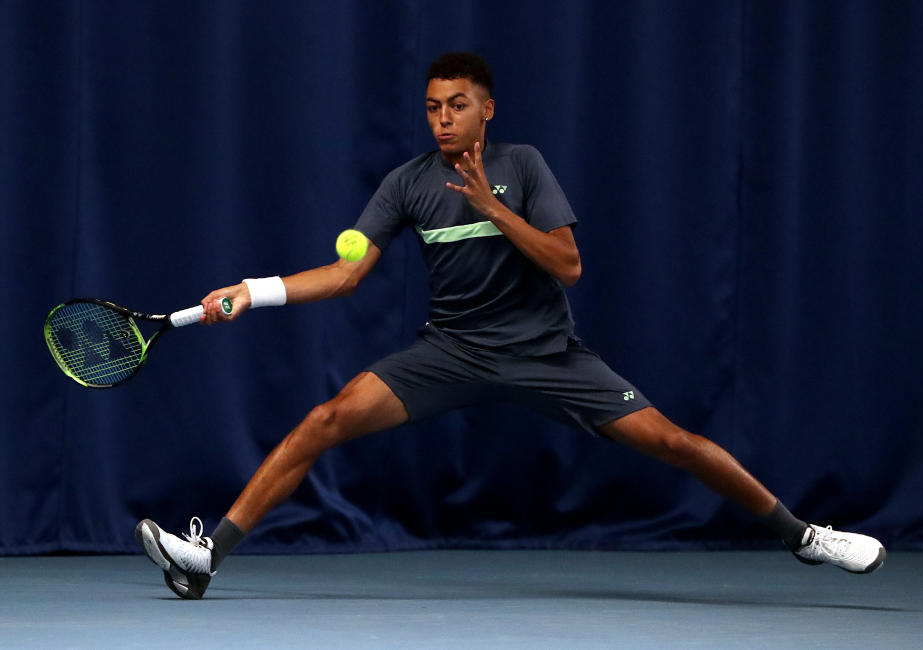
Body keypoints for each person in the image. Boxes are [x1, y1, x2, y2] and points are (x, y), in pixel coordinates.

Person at [135, 52, 885, 600]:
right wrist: (255, 291)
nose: (441, 117)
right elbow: (346, 272)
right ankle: (208, 558)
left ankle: (804, 537)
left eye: (456, 104)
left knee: (673, 443)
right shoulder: (405, 183)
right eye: (432, 106)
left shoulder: (522, 168)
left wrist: (493, 209)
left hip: (546, 355)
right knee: (326, 419)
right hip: (450, 354)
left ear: (485, 108)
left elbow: (569, 265)